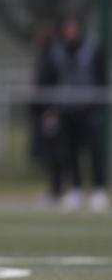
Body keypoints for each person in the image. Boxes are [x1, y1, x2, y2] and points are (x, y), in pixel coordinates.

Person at [38, 17, 109, 212]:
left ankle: (99, 190)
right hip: (66, 109)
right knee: (70, 152)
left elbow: (101, 77)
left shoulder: (92, 49)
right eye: (67, 29)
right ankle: (76, 190)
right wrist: (50, 107)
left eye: (73, 28)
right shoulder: (57, 51)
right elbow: (49, 78)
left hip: (88, 108)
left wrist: (97, 103)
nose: (71, 32)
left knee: (94, 151)